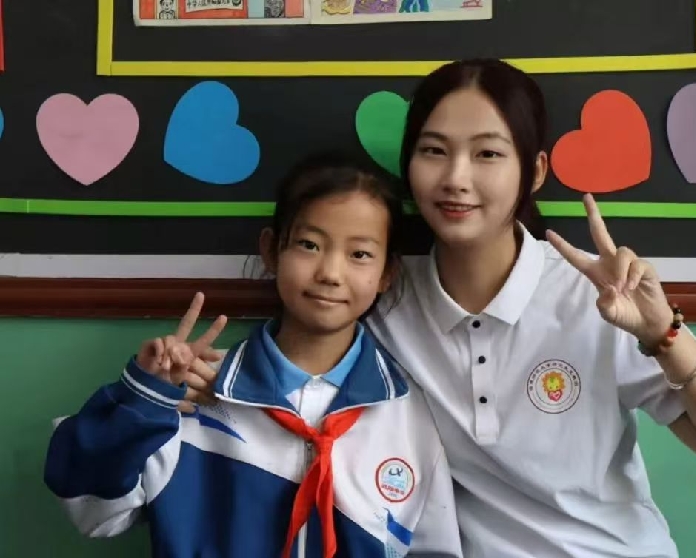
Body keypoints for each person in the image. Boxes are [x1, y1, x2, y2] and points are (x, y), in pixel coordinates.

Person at [363, 58, 696, 557]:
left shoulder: (595, 297)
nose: (455, 177)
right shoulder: (385, 298)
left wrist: (662, 333)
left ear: (535, 171)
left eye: (488, 153)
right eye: (433, 151)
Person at [43, 153, 463, 558]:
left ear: (387, 273)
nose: (330, 274)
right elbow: (91, 511)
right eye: (309, 244)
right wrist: (144, 401)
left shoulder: (408, 414)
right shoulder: (188, 391)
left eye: (359, 254)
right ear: (271, 251)